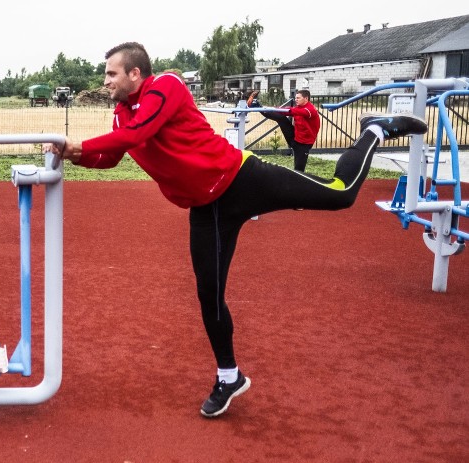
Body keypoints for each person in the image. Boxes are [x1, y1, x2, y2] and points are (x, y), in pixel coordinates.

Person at [46, 42, 426, 418]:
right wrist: (74, 154)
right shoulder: (121, 115)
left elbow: (138, 135)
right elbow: (111, 156)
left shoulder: (165, 86)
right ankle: (228, 376)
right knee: (209, 296)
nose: (105, 80)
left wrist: (78, 144)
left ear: (135, 73)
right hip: (207, 208)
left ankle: (374, 130)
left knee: (340, 195)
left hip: (242, 178)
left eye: (111, 73)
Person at [247, 89, 321, 172]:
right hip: (294, 137)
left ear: (306, 99)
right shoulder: (299, 107)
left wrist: (278, 109)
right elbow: (287, 112)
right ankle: (257, 106)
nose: (296, 99)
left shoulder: (310, 110)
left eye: (298, 98)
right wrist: (272, 109)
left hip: (303, 145)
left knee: (299, 169)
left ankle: (296, 183)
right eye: (295, 98)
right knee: (281, 118)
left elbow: (297, 112)